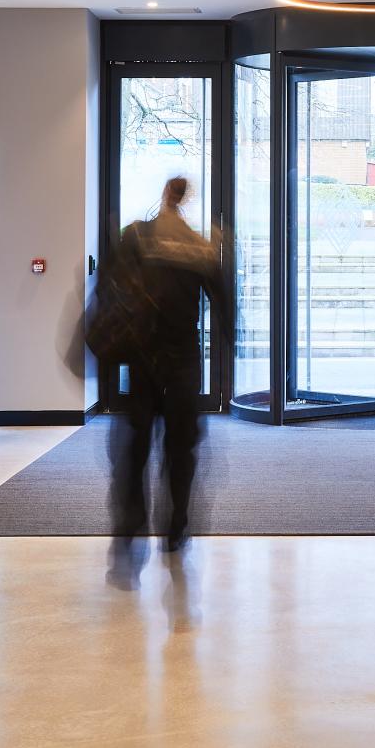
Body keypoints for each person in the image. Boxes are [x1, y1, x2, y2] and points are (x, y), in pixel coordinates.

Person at [99, 177, 229, 588]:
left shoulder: (137, 235)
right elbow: (223, 302)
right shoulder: (199, 243)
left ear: (163, 197)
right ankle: (176, 527)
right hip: (184, 359)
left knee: (134, 448)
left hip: (143, 358)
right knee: (181, 448)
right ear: (185, 200)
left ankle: (130, 536)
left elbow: (108, 285)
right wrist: (230, 339)